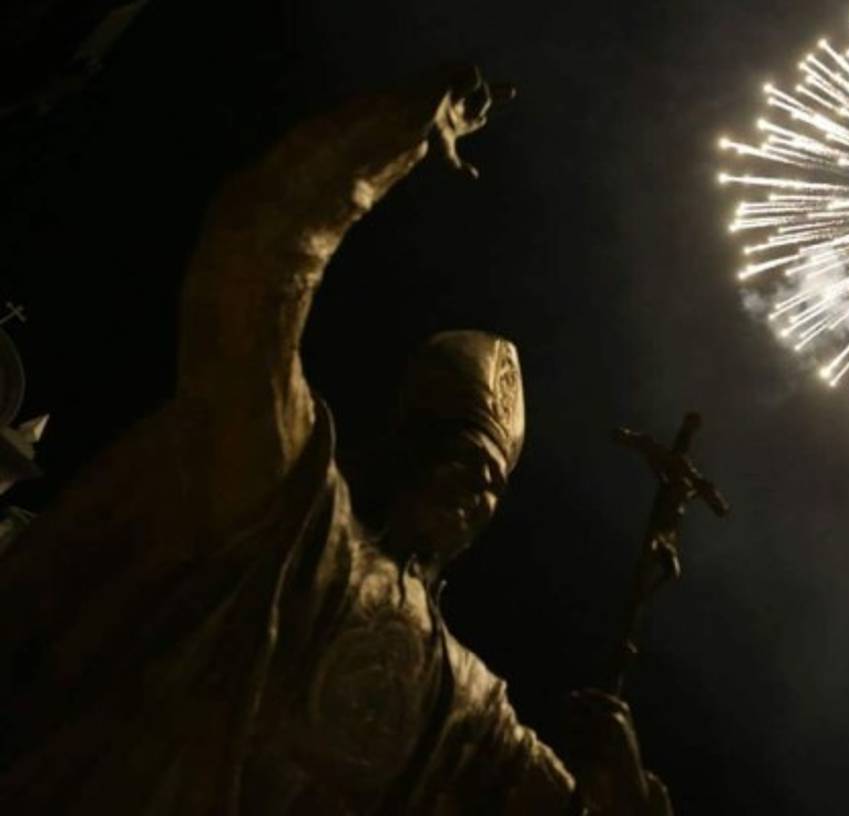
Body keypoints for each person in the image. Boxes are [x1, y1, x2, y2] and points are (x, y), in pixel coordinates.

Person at [0, 65, 671, 815]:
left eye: (489, 481)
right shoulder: (290, 505)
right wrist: (392, 138)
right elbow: (257, 269)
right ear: (403, 445)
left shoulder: (466, 703)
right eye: (454, 456)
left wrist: (622, 790)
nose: (471, 489)